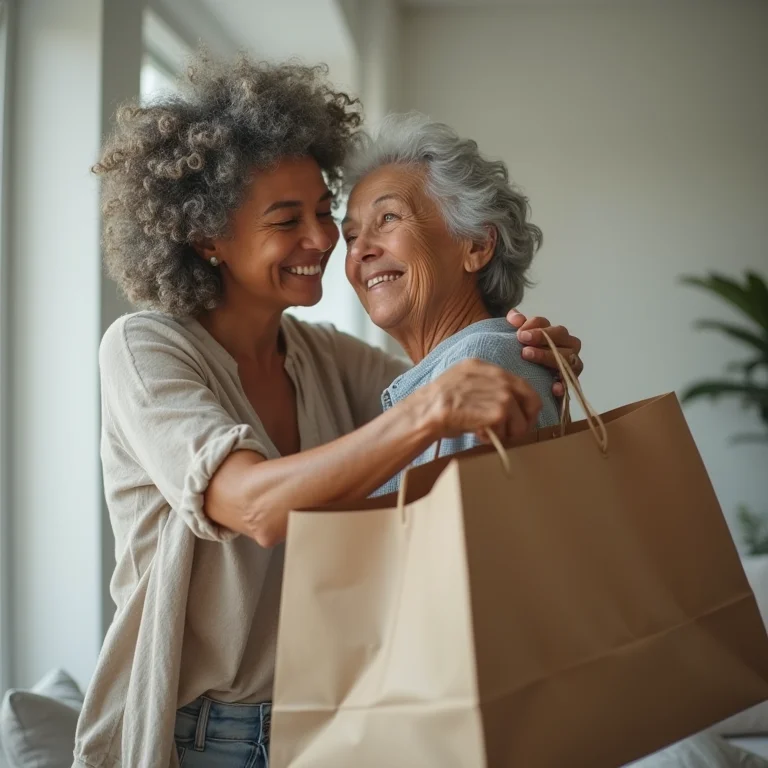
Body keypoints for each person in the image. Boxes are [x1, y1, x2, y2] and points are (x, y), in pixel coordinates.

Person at [73, 55, 585, 768]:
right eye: (289, 221)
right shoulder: (145, 349)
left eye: (323, 214)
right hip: (202, 737)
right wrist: (435, 406)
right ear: (206, 239)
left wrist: (528, 349)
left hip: (324, 727)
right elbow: (252, 506)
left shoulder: (321, 356)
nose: (325, 241)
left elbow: (454, 370)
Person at [342, 113, 562, 494]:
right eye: (350, 235)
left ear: (476, 245)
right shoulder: (459, 368)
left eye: (388, 217)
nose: (359, 250)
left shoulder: (478, 363)